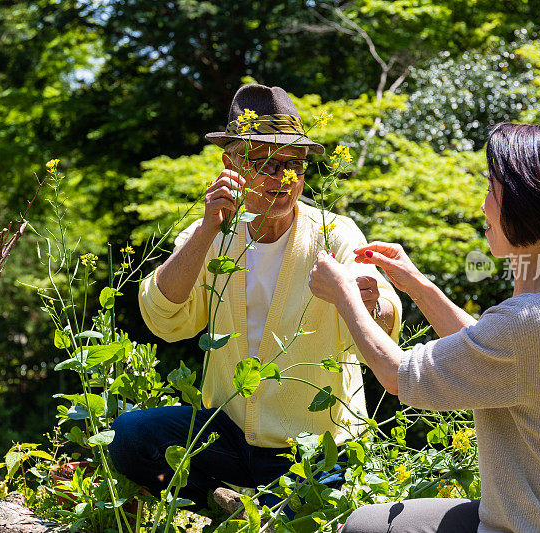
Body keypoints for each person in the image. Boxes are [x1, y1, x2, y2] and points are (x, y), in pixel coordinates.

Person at [309, 123, 540, 533]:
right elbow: (489, 348)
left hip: (535, 525)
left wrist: (343, 294)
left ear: (528, 201)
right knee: (367, 523)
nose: (483, 205)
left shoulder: (529, 322)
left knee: (360, 528)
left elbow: (395, 374)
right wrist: (417, 285)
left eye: (492, 189)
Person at [108, 84, 403, 510]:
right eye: (262, 163)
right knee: (128, 437)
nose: (280, 178)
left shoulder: (334, 233)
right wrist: (208, 227)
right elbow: (164, 319)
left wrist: (371, 303)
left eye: (292, 165)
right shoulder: (210, 235)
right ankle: (215, 504)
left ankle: (259, 512)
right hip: (226, 431)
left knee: (311, 512)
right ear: (230, 165)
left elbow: (383, 323)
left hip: (314, 446)